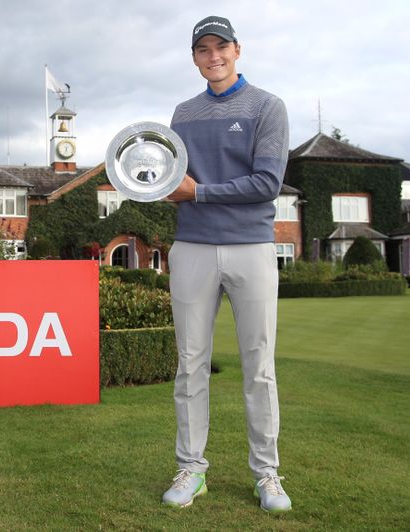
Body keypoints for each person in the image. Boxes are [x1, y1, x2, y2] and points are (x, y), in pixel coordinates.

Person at [161, 15, 291, 513]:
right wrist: (160, 188)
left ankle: (268, 475)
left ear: (238, 50)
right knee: (189, 364)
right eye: (202, 50)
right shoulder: (183, 113)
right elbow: (174, 179)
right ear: (194, 58)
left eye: (221, 47)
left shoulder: (267, 107)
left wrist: (199, 193)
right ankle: (191, 469)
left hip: (251, 247)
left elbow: (267, 183)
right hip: (192, 246)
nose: (213, 56)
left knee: (259, 368)